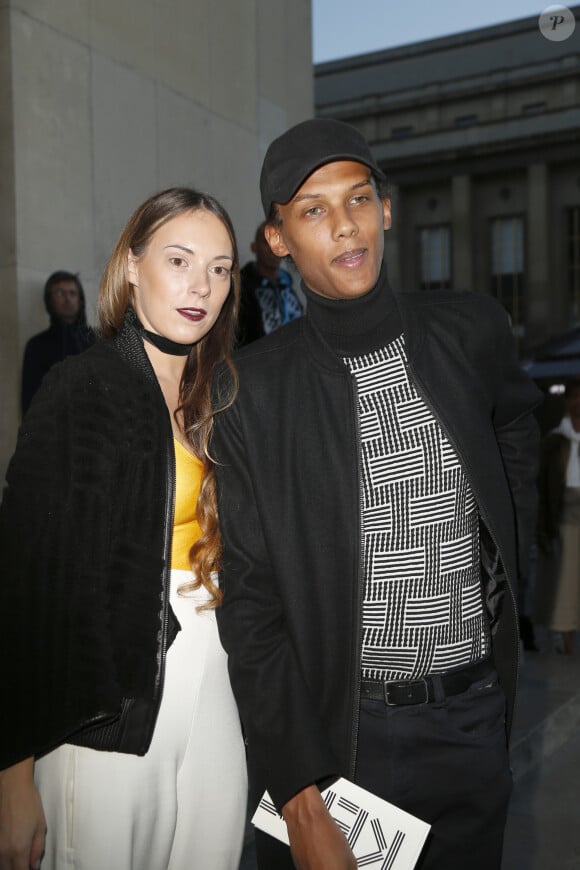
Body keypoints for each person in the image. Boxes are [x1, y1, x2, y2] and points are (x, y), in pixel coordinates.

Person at [211, 119, 542, 869]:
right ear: (278, 239)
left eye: (358, 199)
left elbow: (519, 428)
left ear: (386, 209)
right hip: (343, 737)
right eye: (314, 210)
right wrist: (299, 795)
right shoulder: (252, 393)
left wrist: (509, 570)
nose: (346, 226)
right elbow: (252, 607)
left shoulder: (471, 330)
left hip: (474, 717)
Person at [0, 188, 247, 870]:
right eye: (179, 259)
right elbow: (24, 582)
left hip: (218, 679)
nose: (201, 284)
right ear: (132, 266)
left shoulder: (221, 397)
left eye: (221, 268)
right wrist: (12, 774)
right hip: (104, 699)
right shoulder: (83, 386)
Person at [535, 379, 580, 655]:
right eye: (576, 397)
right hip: (565, 515)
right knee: (565, 581)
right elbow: (543, 485)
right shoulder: (555, 440)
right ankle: (565, 641)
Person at [21, 270, 95, 414]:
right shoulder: (37, 346)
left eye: (72, 293)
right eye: (60, 293)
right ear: (49, 300)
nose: (67, 299)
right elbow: (30, 400)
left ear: (80, 300)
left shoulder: (96, 341)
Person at [237, 220, 303, 345]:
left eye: (278, 241)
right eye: (266, 242)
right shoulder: (242, 289)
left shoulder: (288, 285)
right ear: (254, 247)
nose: (273, 247)